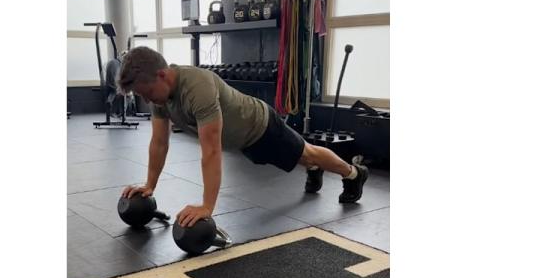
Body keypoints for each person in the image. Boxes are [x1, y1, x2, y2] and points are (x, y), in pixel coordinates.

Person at [117, 46, 368, 229]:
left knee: (307, 153)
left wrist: (207, 207)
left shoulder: (197, 88)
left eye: (147, 93)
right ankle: (314, 168)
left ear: (162, 74)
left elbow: (211, 151)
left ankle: (354, 173)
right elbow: (159, 143)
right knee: (301, 158)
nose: (148, 100)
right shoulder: (161, 97)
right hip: (243, 142)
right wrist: (149, 185)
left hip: (261, 127)